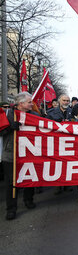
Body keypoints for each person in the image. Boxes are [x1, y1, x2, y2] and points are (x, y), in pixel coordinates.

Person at [1, 92, 38, 220]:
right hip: (11, 154)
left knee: (30, 177)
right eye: (29, 102)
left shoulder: (34, 115)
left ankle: (29, 200)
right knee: (11, 183)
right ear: (20, 103)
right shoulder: (7, 114)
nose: (32, 104)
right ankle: (11, 208)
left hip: (29, 153)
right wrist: (10, 128)